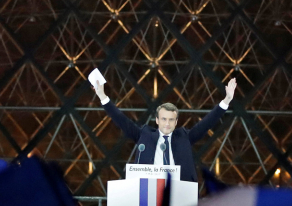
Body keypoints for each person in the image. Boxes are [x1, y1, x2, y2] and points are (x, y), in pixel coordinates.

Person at [93, 75, 236, 183]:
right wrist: (102, 96)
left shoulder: (184, 136)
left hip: (181, 190)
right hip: (148, 190)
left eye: (171, 120)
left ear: (176, 122)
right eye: (163, 119)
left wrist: (227, 100)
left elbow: (207, 123)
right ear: (157, 120)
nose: (167, 123)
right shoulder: (145, 134)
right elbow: (121, 120)